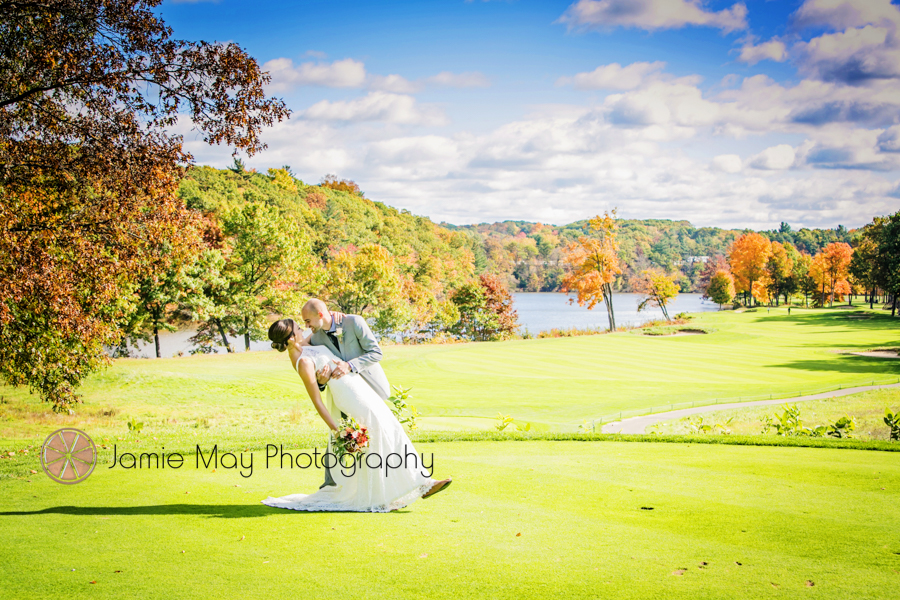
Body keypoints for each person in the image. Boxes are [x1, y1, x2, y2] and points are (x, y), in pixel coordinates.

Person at [261, 317, 451, 512]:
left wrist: (332, 316)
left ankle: (410, 486)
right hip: (349, 396)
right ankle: (420, 485)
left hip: (359, 387)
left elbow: (320, 326)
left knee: (389, 429)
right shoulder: (302, 362)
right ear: (291, 339)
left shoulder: (304, 344)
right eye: (298, 329)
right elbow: (317, 401)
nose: (303, 329)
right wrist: (336, 430)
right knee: (380, 434)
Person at [301, 298, 390, 487]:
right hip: (344, 396)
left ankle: (379, 484)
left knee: (376, 437)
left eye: (308, 321)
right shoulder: (316, 338)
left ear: (320, 314)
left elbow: (376, 352)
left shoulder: (353, 321)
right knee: (339, 436)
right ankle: (330, 484)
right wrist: (322, 382)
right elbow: (304, 350)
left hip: (369, 388)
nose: (307, 326)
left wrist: (350, 365)